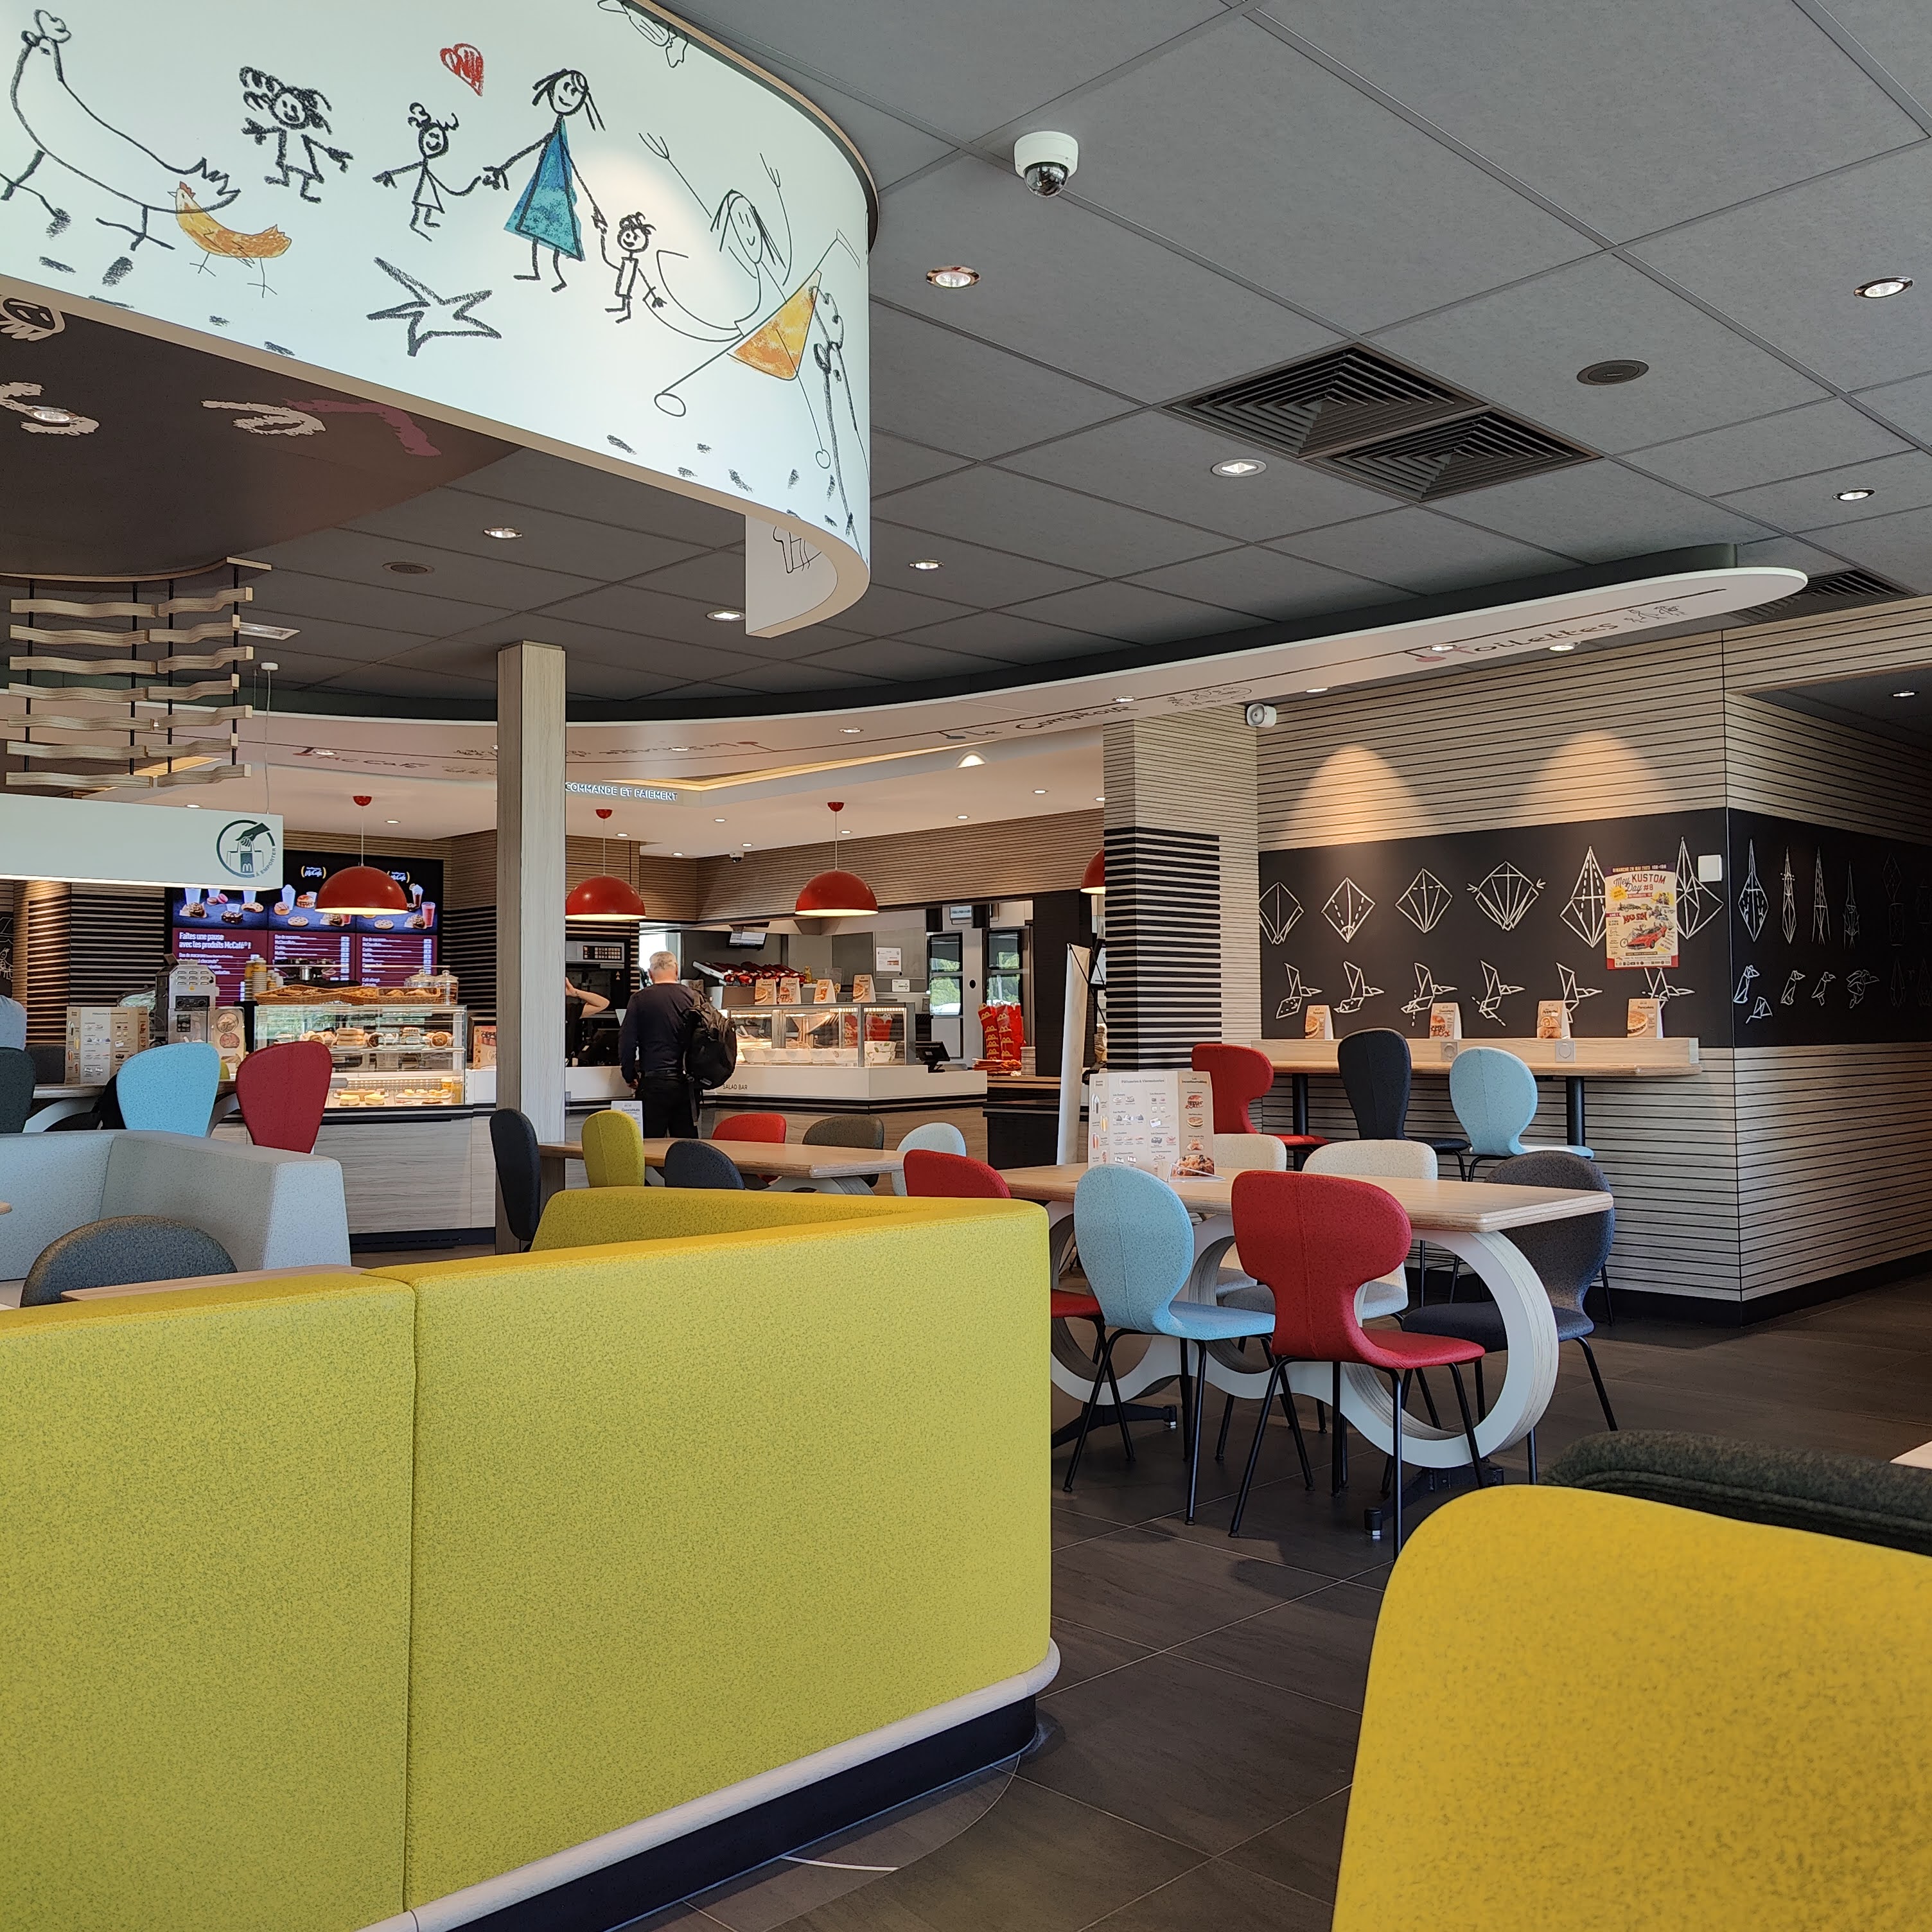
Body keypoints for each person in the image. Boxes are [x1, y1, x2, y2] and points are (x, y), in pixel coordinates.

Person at [619, 950, 698, 1137]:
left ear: (650, 973)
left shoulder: (640, 999)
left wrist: (629, 1075)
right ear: (676, 970)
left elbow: (627, 1041)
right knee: (686, 1146)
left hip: (653, 1083)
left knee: (649, 1145)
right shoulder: (693, 997)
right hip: (686, 1084)